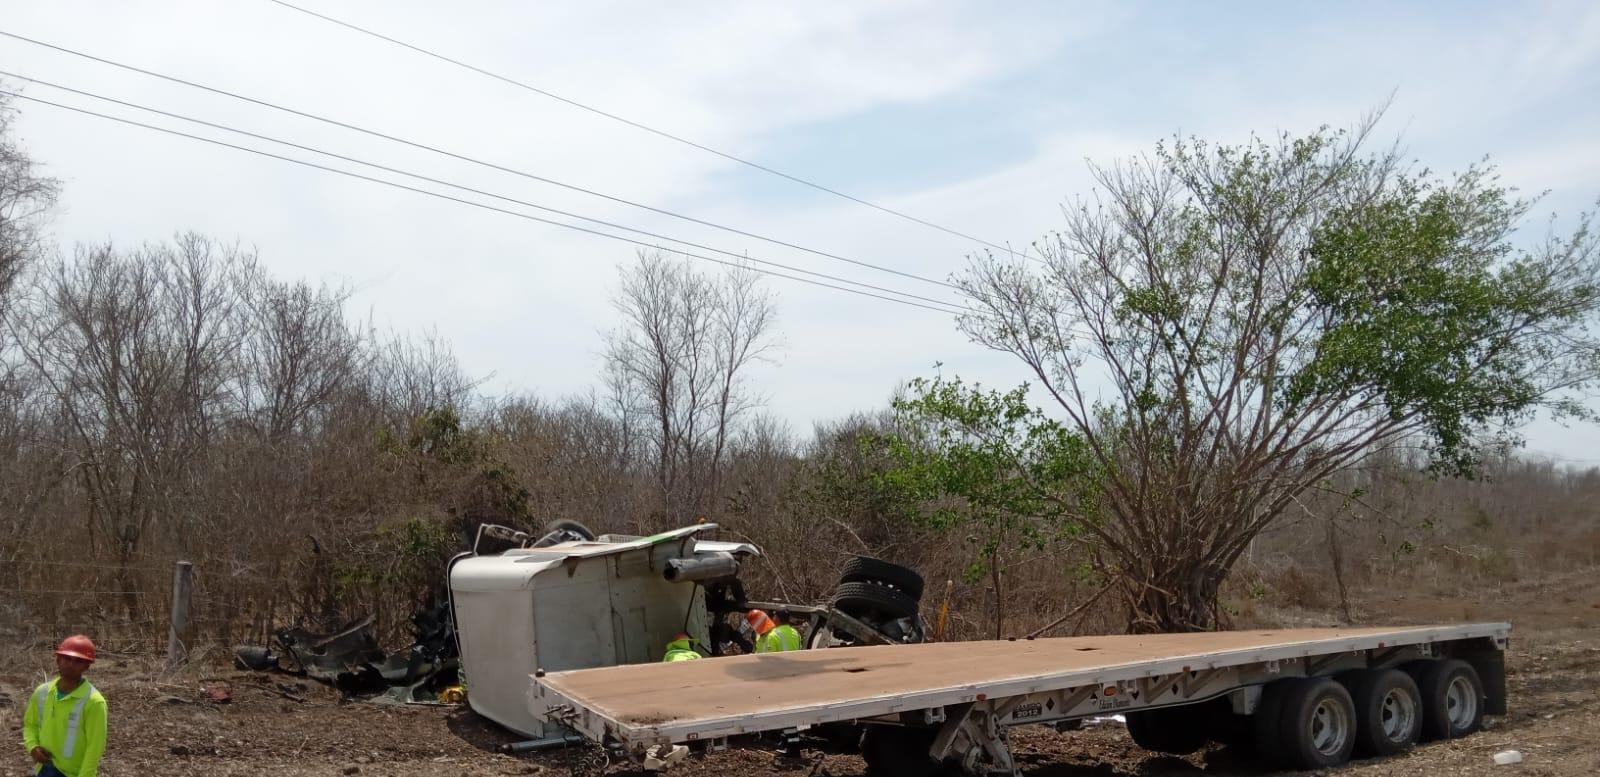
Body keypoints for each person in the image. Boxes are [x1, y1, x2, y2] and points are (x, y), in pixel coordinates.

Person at [22, 635, 107, 777]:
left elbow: (95, 748)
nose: (71, 664)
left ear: (87, 666)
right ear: (58, 660)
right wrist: (33, 747)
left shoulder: (94, 702)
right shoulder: (42, 693)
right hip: (44, 768)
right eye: (67, 658)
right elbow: (30, 725)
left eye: (78, 661)